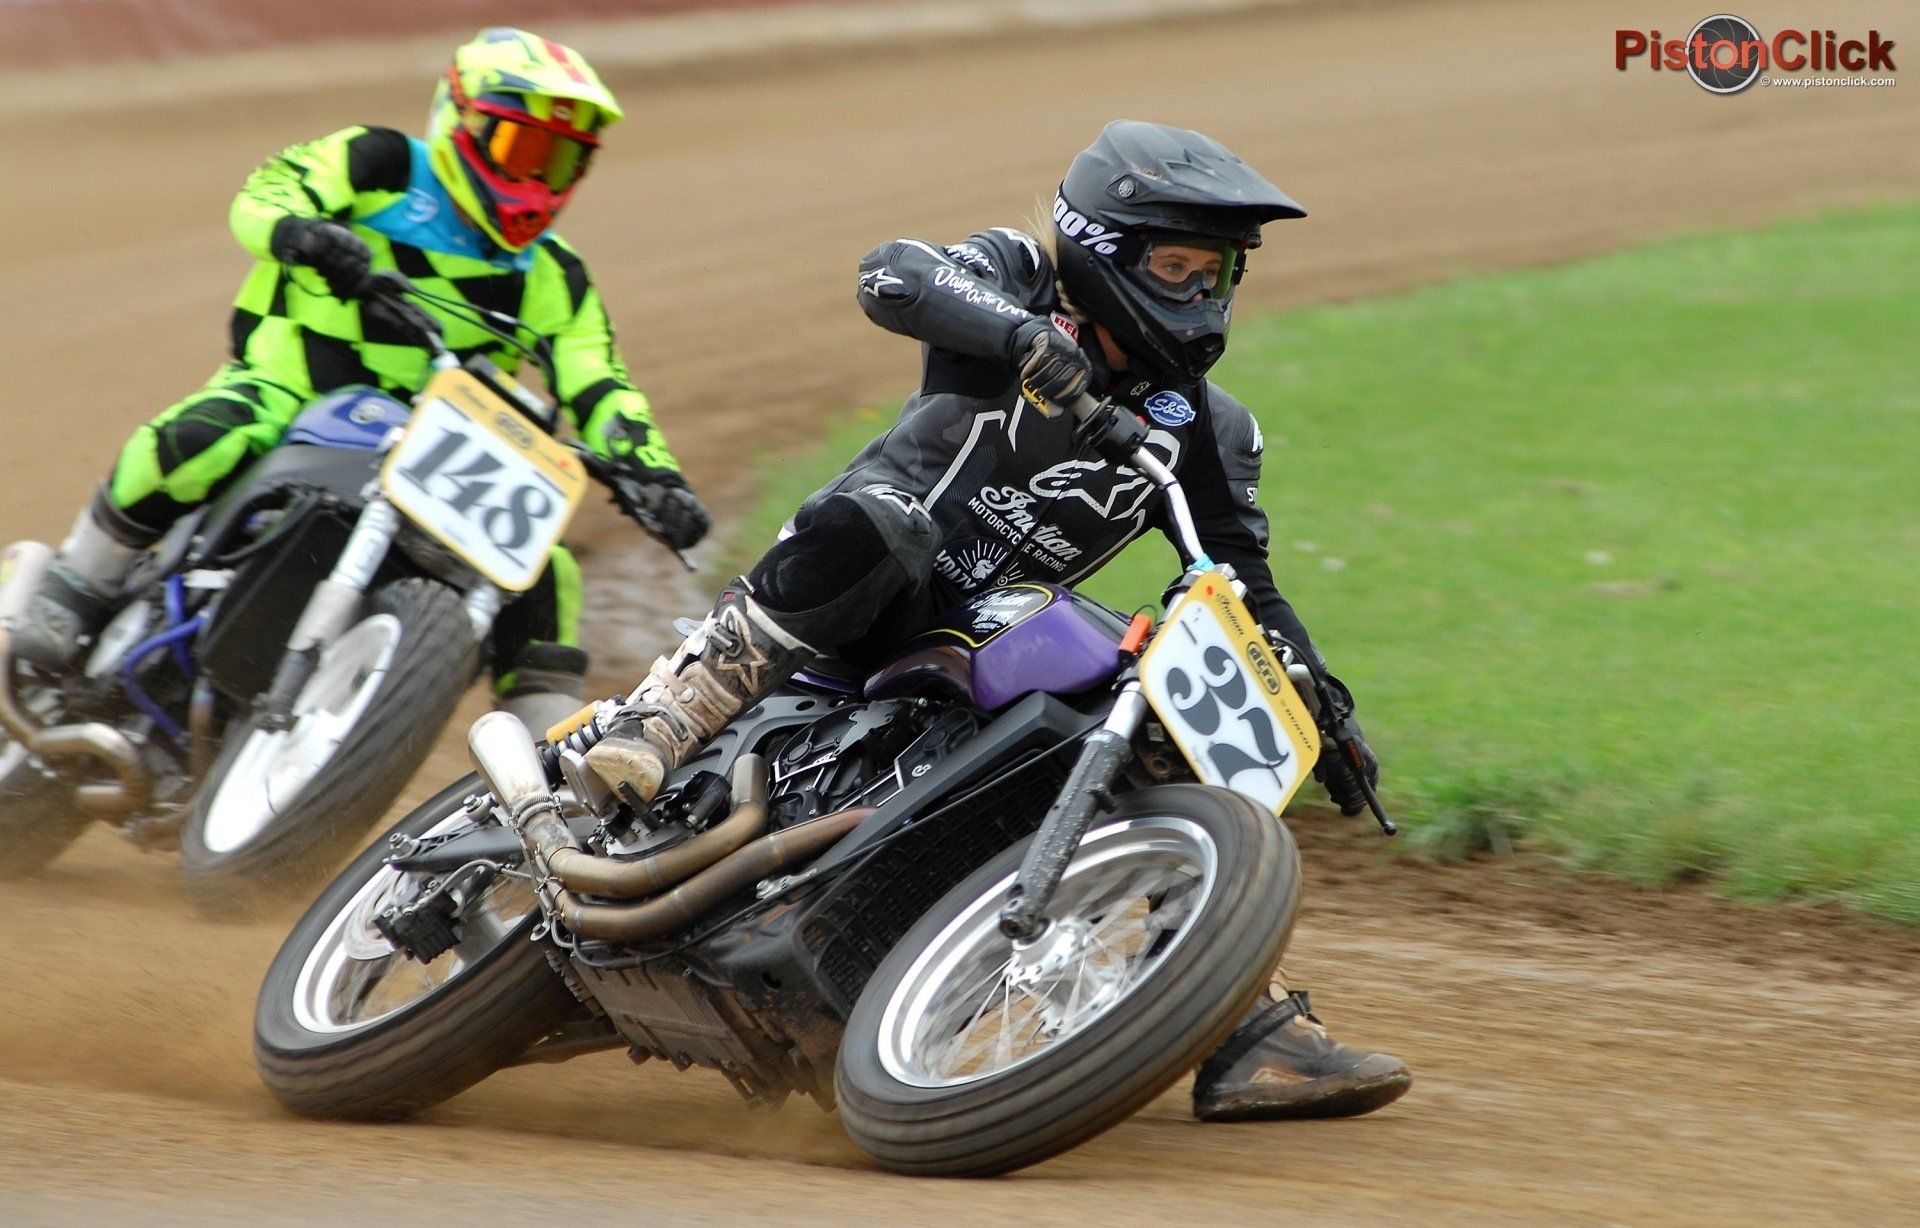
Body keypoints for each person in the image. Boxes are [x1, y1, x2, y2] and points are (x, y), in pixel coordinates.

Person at [583, 120, 1410, 1120]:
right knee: (883, 521)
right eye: (1176, 266)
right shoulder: (1015, 283)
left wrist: (1318, 702)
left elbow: (1239, 575)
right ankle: (670, 710)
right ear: (1102, 251)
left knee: (1154, 693)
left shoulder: (1209, 427)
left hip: (986, 637)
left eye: (1216, 271)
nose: (1198, 293)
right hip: (863, 598)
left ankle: (1240, 1021)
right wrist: (1024, 340)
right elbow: (891, 274)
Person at [12, 28, 709, 729]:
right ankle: (75, 587)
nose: (535, 179)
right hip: (293, 390)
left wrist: (656, 473)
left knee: (546, 572)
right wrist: (301, 233)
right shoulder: (380, 163)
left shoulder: (558, 275)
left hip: (432, 445)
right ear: (460, 121)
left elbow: (598, 380)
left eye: (557, 161)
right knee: (206, 432)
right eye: (519, 149)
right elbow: (269, 190)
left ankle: (544, 760)